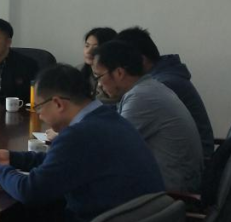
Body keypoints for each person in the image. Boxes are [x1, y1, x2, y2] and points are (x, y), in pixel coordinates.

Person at [0, 64, 164, 222]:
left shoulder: (78, 135)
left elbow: (30, 191)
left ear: (58, 103)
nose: (39, 115)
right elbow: (64, 161)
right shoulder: (108, 117)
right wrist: (14, 158)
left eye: (38, 107)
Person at [91, 40, 203, 193]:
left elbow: (112, 148)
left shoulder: (141, 97)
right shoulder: (149, 87)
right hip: (172, 183)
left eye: (98, 76)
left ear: (119, 73)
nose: (98, 84)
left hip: (169, 194)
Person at [116, 25, 215, 161]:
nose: (119, 71)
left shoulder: (158, 86)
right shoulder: (163, 78)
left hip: (190, 164)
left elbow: (121, 139)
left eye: (121, 63)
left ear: (141, 60)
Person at [82, 26, 118, 101]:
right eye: (87, 46)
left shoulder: (117, 76)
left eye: (96, 48)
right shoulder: (79, 71)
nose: (88, 51)